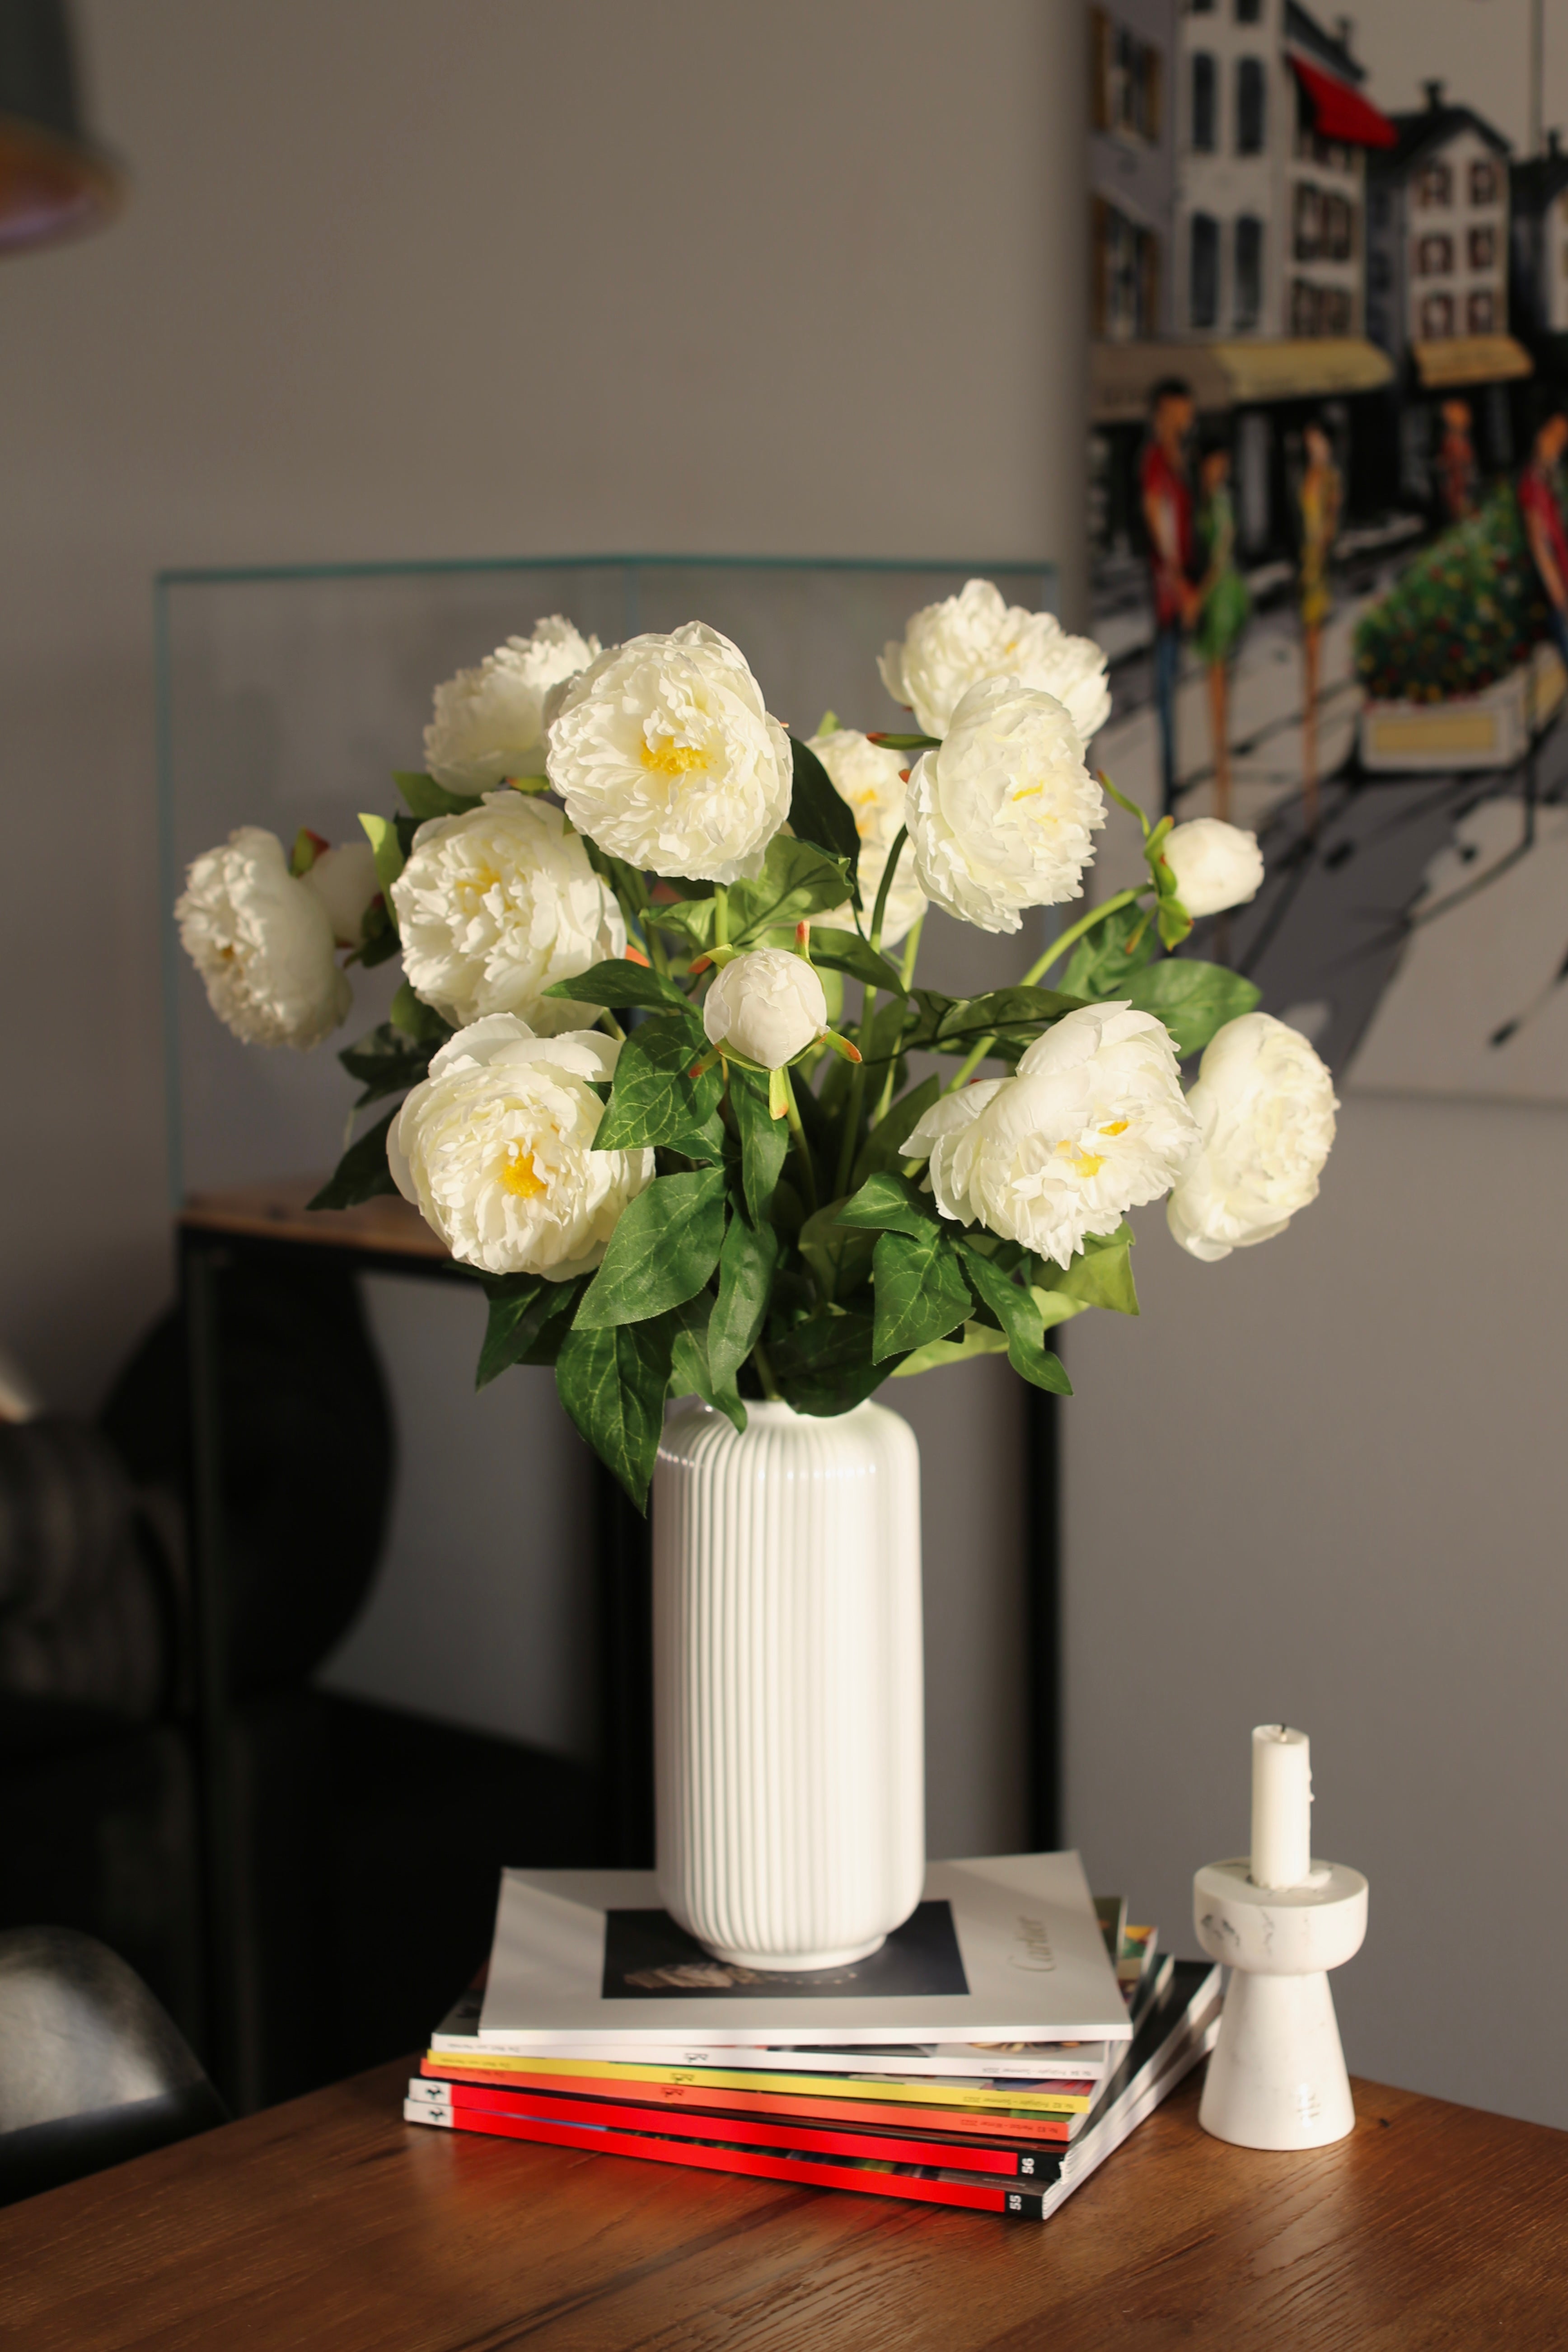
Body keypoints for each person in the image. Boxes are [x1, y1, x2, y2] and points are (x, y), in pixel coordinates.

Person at [1141, 377, 1198, 815]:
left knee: (1176, 679)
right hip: (1167, 591)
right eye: (1182, 408)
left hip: (1177, 586)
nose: (1189, 415)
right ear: (1166, 410)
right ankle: (1168, 783)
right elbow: (1160, 527)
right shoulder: (1157, 461)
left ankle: (1175, 773)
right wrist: (1180, 586)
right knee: (1166, 682)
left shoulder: (1178, 461)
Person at [1193, 436, 1250, 822]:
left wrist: (1201, 592)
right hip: (1213, 592)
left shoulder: (1219, 503)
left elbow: (1219, 554)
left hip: (1220, 594)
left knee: (1219, 674)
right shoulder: (1201, 502)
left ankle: (1222, 764)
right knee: (1213, 675)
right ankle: (1219, 762)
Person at [1297, 420, 1341, 839]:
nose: (1313, 445)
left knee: (1313, 667)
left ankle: (1313, 773)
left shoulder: (1329, 480)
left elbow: (1328, 528)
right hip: (1304, 572)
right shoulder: (1305, 478)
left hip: (1316, 574)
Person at [1519, 401, 1568, 678]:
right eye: (1555, 437)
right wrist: (1560, 596)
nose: (1559, 445)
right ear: (1540, 435)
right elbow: (1539, 546)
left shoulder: (1549, 482)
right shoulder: (1533, 486)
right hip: (1558, 594)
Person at [1437, 398, 1478, 528]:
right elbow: (1447, 466)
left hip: (1466, 486)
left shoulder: (1463, 441)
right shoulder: (1450, 442)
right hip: (1457, 488)